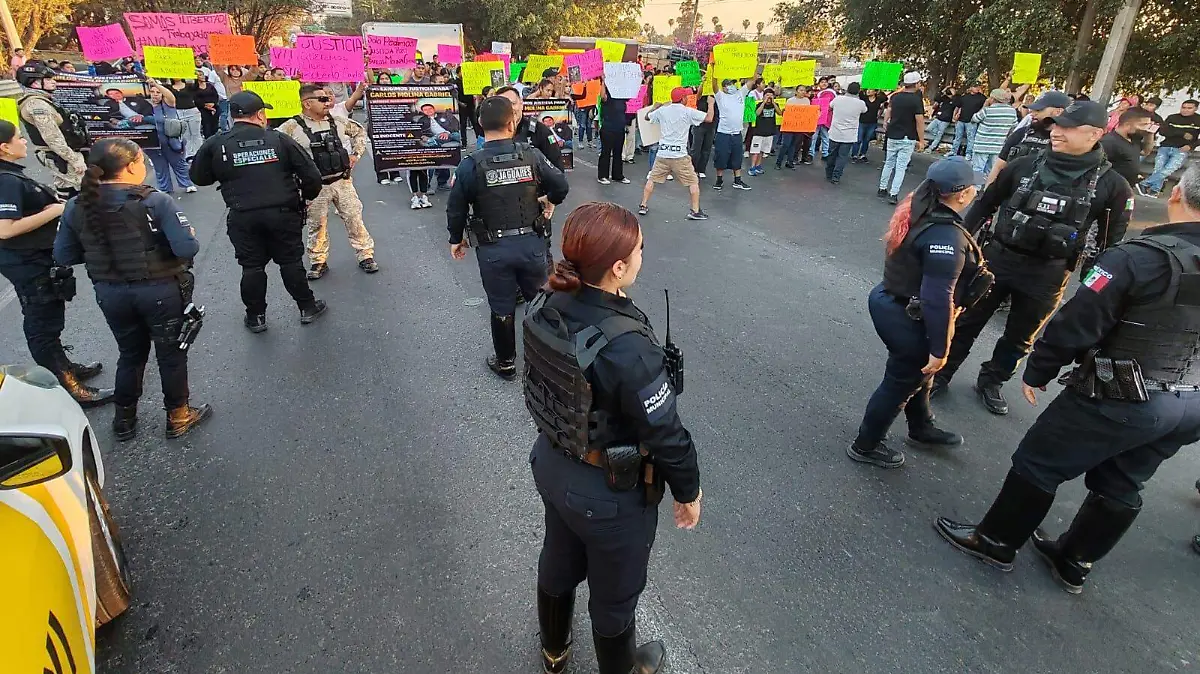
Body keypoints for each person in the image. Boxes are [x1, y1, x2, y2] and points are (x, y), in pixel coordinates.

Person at [935, 163, 1200, 594]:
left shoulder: (1140, 258)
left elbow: (1077, 322)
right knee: (1127, 478)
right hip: (1189, 402)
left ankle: (996, 541)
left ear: (1175, 194)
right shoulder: (1146, 257)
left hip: (1125, 391)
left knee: (1040, 462)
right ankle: (1075, 560)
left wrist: (1040, 369)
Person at [524, 201, 701, 674]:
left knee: (559, 558)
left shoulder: (549, 301)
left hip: (553, 463)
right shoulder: (628, 345)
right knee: (615, 596)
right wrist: (689, 491)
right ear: (618, 267)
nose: (644, 253)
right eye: (640, 248)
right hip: (608, 493)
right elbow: (666, 433)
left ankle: (554, 651)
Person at [931, 101, 1134, 415]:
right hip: (996, 260)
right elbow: (985, 206)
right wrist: (958, 247)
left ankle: (992, 380)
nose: (1056, 131)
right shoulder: (1024, 165)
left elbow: (1108, 247)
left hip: (1048, 275)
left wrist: (1092, 294)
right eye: (1056, 125)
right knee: (966, 321)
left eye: (1067, 128)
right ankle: (941, 375)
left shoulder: (1113, 186)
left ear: (1095, 134)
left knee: (1020, 338)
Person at [54, 138, 211, 439]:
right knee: (171, 354)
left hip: (111, 293)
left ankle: (124, 420)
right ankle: (178, 415)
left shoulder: (77, 204)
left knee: (130, 354)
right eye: (142, 161)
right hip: (160, 291)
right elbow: (186, 247)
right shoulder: (154, 201)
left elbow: (65, 256)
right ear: (130, 166)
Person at [849, 158, 990, 468]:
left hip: (893, 303)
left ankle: (921, 426)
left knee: (919, 374)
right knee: (902, 380)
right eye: (974, 188)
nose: (977, 192)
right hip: (907, 314)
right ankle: (866, 444)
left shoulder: (921, 209)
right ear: (962, 195)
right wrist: (941, 348)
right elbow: (937, 297)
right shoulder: (945, 235)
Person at [446, 96, 569, 379]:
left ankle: (506, 363)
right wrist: (549, 200)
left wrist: (456, 238)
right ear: (512, 122)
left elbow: (456, 206)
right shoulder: (531, 155)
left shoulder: (470, 164)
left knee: (501, 306)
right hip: (532, 244)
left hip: (493, 249)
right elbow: (560, 185)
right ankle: (546, 362)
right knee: (539, 302)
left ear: (479, 124)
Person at [189, 91, 328, 332]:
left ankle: (256, 317)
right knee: (290, 261)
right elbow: (312, 176)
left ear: (232, 116)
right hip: (283, 212)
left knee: (252, 267)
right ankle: (307, 307)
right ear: (261, 114)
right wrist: (306, 198)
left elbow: (199, 177)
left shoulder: (216, 142)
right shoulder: (280, 140)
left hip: (243, 215)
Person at [0, 120, 112, 406]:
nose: (24, 142)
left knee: (50, 318)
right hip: (27, 261)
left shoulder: (12, 175)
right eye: (19, 138)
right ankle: (68, 385)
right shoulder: (6, 180)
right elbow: (5, 229)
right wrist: (56, 210)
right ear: (4, 148)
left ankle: (64, 367)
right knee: (42, 324)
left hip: (35, 258)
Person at [278, 85, 378, 279]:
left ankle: (365, 254)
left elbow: (359, 133)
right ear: (307, 103)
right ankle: (318, 261)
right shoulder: (290, 127)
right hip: (314, 187)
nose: (328, 102)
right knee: (317, 224)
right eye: (322, 99)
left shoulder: (338, 122)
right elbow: (277, 148)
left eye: (328, 98)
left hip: (342, 182)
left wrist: (355, 155)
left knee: (354, 219)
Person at [637, 87, 714, 220]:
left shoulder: (663, 111)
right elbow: (709, 118)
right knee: (693, 181)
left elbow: (646, 117)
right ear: (683, 98)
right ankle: (695, 211)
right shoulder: (687, 111)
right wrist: (711, 104)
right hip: (679, 155)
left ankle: (643, 205)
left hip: (663, 153)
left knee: (652, 179)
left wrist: (655, 107)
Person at [16, 61, 87, 200]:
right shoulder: (37, 104)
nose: (54, 82)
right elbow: (52, 137)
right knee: (78, 192)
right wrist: (74, 159)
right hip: (60, 156)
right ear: (34, 83)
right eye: (48, 79)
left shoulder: (42, 99)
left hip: (61, 155)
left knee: (66, 188)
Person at [986, 90, 1070, 185]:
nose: (1032, 114)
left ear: (1058, 111)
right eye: (1033, 110)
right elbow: (999, 166)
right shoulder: (1022, 134)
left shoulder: (1069, 141)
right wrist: (987, 192)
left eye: (1039, 110)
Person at [878, 72, 926, 205]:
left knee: (889, 162)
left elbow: (889, 110)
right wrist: (921, 139)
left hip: (893, 133)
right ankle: (893, 193)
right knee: (900, 167)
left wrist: (885, 123)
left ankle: (882, 188)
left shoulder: (896, 97)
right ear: (916, 84)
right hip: (907, 136)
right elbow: (919, 120)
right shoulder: (916, 100)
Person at [144, 79, 197, 194]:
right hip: (153, 142)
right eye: (152, 92)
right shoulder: (145, 106)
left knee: (179, 163)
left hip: (170, 141)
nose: (155, 94)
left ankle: (187, 184)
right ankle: (165, 188)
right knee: (160, 166)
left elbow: (171, 96)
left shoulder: (168, 104)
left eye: (158, 92)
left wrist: (156, 84)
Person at [1138, 99, 1198, 198]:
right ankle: (1154, 190)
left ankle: (1144, 183)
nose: (1185, 110)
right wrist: (1181, 133)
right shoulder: (1172, 117)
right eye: (1183, 107)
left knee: (1168, 169)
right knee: (1159, 168)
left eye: (1189, 108)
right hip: (1165, 146)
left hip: (1182, 149)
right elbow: (1162, 131)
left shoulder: (1198, 120)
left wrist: (1191, 146)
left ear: (1195, 108)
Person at [495, 86, 565, 171]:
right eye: (504, 105)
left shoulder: (539, 130)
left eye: (513, 103)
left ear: (521, 103)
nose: (510, 109)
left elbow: (557, 168)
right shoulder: (493, 132)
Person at [712, 77, 758, 191]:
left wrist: (753, 64)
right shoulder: (720, 96)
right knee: (721, 157)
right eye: (728, 85)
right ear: (723, 87)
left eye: (732, 84)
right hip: (723, 133)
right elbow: (714, 85)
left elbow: (752, 80)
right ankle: (719, 180)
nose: (731, 86)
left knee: (737, 157)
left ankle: (737, 180)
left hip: (737, 133)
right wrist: (713, 69)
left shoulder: (740, 94)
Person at [968, 89, 1020, 185]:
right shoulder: (1012, 111)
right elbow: (1014, 127)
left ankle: (976, 187)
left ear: (993, 99)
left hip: (982, 144)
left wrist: (985, 106)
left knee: (978, 168)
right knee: (992, 168)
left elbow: (974, 119)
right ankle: (987, 186)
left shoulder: (987, 110)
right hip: (998, 145)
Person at [1100, 107, 1153, 188]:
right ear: (1127, 125)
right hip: (1110, 190)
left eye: (1148, 125)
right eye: (1143, 125)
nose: (1146, 128)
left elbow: (1145, 152)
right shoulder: (1109, 142)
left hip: (1126, 189)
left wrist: (1150, 135)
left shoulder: (1134, 139)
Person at [826, 82, 867, 184]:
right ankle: (836, 176)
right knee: (842, 156)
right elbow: (865, 110)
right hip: (849, 135)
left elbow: (829, 107)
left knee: (831, 154)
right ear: (858, 91)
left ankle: (829, 173)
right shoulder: (860, 103)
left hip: (835, 132)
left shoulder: (838, 99)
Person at [597, 80, 630, 185]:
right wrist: (603, 82)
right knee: (606, 153)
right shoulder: (608, 96)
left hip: (619, 128)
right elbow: (602, 96)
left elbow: (632, 93)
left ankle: (617, 175)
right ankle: (602, 176)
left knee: (618, 153)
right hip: (608, 128)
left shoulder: (622, 98)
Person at [168, 77, 205, 160]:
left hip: (192, 111)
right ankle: (188, 154)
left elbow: (197, 86)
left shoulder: (189, 86)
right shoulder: (169, 87)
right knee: (185, 135)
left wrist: (197, 76)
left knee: (195, 134)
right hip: (179, 112)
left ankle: (199, 153)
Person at [776, 87, 812, 169]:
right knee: (786, 144)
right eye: (801, 90)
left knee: (794, 145)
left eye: (804, 90)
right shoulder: (790, 100)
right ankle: (778, 162)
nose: (803, 92)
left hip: (799, 126)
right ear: (796, 91)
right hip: (789, 125)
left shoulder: (807, 101)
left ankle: (790, 162)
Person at [951, 82, 987, 158]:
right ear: (971, 87)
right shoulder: (964, 97)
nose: (977, 88)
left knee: (971, 138)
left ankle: (968, 153)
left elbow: (984, 108)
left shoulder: (982, 98)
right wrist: (954, 116)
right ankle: (953, 151)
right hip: (961, 120)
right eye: (975, 86)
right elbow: (958, 107)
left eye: (978, 86)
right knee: (957, 137)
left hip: (972, 121)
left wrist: (978, 117)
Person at [853, 88, 885, 162]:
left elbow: (885, 98)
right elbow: (860, 92)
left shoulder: (878, 99)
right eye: (868, 89)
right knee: (858, 139)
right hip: (862, 121)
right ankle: (854, 154)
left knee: (867, 140)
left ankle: (862, 154)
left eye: (871, 90)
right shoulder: (864, 98)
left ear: (875, 92)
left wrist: (879, 114)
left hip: (872, 122)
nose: (868, 91)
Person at [924, 86, 957, 154]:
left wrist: (954, 95)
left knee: (939, 134)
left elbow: (958, 103)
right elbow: (937, 98)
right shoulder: (945, 98)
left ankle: (931, 148)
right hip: (938, 117)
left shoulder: (956, 99)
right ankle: (937, 136)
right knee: (929, 128)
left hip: (946, 120)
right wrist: (944, 90)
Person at [809, 77, 836, 160]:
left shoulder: (831, 93)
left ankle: (825, 153)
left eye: (825, 82)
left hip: (826, 118)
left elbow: (833, 105)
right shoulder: (815, 94)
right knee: (813, 136)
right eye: (822, 82)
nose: (824, 84)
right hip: (816, 117)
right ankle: (810, 153)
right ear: (819, 84)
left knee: (825, 136)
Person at [194, 70, 222, 139]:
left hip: (214, 108)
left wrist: (213, 104)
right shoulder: (194, 88)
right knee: (207, 127)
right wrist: (205, 106)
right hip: (203, 110)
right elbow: (196, 99)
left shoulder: (210, 85)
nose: (202, 77)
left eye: (203, 75)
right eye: (200, 75)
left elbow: (215, 96)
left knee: (215, 126)